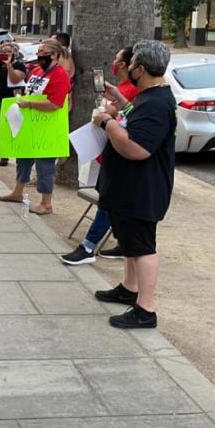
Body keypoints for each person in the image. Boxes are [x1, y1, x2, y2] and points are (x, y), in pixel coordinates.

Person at [91, 39, 176, 329]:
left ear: (139, 69)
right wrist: (122, 102)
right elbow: (135, 121)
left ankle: (146, 308)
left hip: (143, 189)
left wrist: (106, 122)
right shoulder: (149, 97)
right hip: (129, 187)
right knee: (129, 242)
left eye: (130, 64)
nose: (125, 69)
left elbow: (137, 148)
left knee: (141, 246)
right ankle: (129, 288)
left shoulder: (156, 103)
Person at [60, 46, 140, 265]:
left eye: (118, 60)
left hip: (120, 154)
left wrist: (110, 115)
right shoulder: (120, 89)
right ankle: (125, 244)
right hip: (108, 150)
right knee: (113, 203)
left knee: (108, 202)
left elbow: (128, 119)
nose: (114, 64)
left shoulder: (135, 92)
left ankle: (88, 246)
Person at [0, 39, 71, 215]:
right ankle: (18, 191)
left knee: (45, 165)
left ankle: (46, 203)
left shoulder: (60, 75)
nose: (39, 55)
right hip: (30, 125)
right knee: (23, 159)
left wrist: (29, 104)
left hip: (46, 128)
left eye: (43, 52)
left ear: (54, 54)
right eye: (39, 51)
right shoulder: (37, 70)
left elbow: (55, 103)